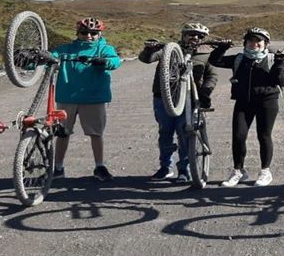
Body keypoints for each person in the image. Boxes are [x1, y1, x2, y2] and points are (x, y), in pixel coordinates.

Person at [208, 27, 284, 187]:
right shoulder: (239, 58)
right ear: (245, 43)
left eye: (259, 41)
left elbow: (281, 81)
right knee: (238, 136)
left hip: (267, 101)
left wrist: (279, 63)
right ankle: (238, 171)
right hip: (243, 102)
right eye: (250, 40)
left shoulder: (272, 58)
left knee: (264, 136)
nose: (254, 44)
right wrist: (222, 47)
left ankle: (265, 171)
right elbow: (215, 61)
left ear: (265, 43)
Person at [139, 22, 217, 183]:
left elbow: (212, 76)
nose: (195, 38)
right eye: (190, 34)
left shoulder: (207, 54)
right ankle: (165, 167)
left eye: (199, 36)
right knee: (165, 132)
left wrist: (206, 91)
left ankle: (184, 169)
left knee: (186, 133)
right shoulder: (169, 48)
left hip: (189, 97)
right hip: (163, 96)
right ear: (183, 35)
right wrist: (150, 48)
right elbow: (147, 59)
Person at [51, 17, 122, 182]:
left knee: (96, 133)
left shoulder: (104, 49)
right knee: (62, 133)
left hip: (94, 98)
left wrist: (103, 61)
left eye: (93, 33)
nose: (89, 36)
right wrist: (32, 60)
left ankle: (99, 166)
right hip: (66, 98)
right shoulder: (66, 49)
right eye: (84, 32)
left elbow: (115, 61)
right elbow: (50, 58)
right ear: (78, 33)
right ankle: (58, 168)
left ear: (99, 34)